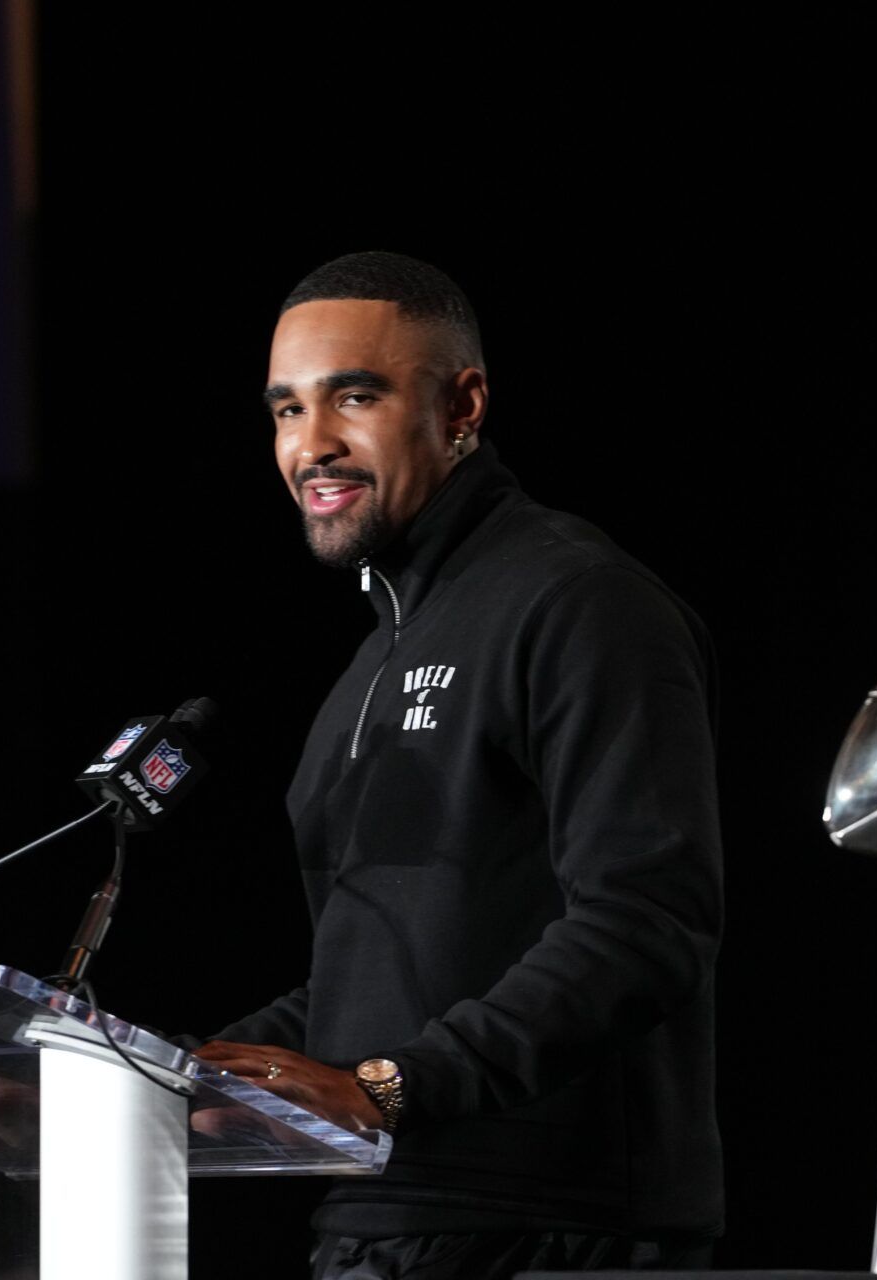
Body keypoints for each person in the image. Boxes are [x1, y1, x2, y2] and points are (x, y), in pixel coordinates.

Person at [193, 251, 724, 1278]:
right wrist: (132, 1085)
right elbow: (368, 978)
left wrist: (393, 1086)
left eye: (355, 396)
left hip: (552, 1229)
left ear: (463, 403)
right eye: (286, 410)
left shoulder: (579, 602)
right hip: (376, 1217)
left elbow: (647, 920)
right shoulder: (374, 656)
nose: (314, 445)